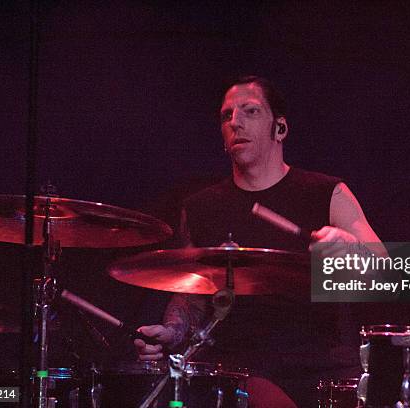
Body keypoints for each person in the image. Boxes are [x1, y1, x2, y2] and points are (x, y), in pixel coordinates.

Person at [134, 76, 386, 407]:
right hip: (234, 369)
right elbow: (192, 296)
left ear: (280, 128)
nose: (235, 122)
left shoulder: (327, 193)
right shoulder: (200, 208)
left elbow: (388, 274)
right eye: (227, 116)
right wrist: (172, 331)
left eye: (250, 111)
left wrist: (352, 250)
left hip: (320, 368)